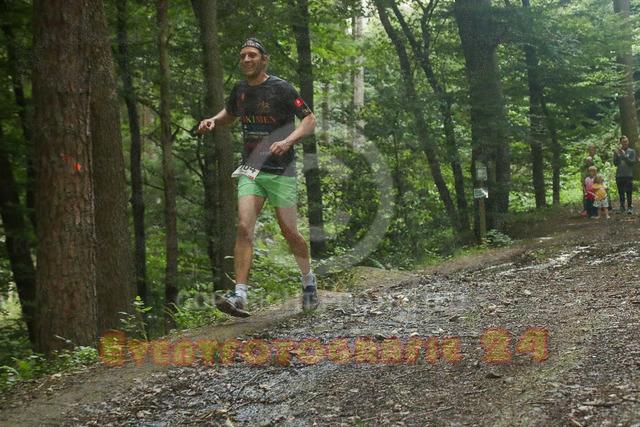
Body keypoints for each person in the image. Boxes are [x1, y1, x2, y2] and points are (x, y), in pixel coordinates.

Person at [198, 38, 319, 317]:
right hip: (251, 171)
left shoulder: (281, 88)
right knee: (244, 227)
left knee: (289, 232)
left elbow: (309, 119)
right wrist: (214, 120)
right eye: (242, 56)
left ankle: (308, 280)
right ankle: (240, 296)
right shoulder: (240, 90)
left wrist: (287, 141)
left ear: (264, 59)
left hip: (281, 171)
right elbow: (230, 113)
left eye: (252, 55)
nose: (246, 60)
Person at [613, 135, 636, 214]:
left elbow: (632, 162)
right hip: (619, 174)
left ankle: (629, 207)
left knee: (629, 191)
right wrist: (618, 156)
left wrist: (626, 156)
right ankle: (622, 207)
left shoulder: (632, 151)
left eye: (626, 141)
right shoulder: (617, 151)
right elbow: (615, 163)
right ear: (620, 142)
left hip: (628, 174)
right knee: (621, 192)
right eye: (624, 142)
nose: (626, 143)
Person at [580, 146, 603, 216]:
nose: (591, 151)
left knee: (595, 194)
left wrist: (592, 162)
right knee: (586, 194)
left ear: (595, 151)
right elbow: (581, 167)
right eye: (590, 150)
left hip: (595, 180)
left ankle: (596, 209)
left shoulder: (597, 158)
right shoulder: (584, 158)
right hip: (586, 179)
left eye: (592, 150)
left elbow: (599, 166)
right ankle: (586, 209)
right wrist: (586, 163)